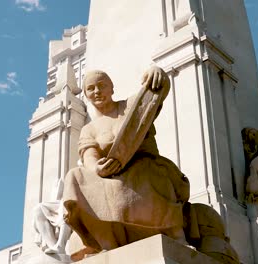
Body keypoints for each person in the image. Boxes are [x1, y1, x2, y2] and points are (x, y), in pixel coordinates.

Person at [62, 67, 190, 253]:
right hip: (111, 175)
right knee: (75, 176)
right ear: (87, 96)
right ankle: (108, 243)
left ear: (111, 88)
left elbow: (155, 95)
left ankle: (175, 232)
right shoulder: (88, 129)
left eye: (101, 86)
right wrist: (97, 168)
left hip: (145, 164)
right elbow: (89, 156)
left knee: (147, 172)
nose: (96, 91)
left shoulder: (129, 106)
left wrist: (157, 74)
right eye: (91, 88)